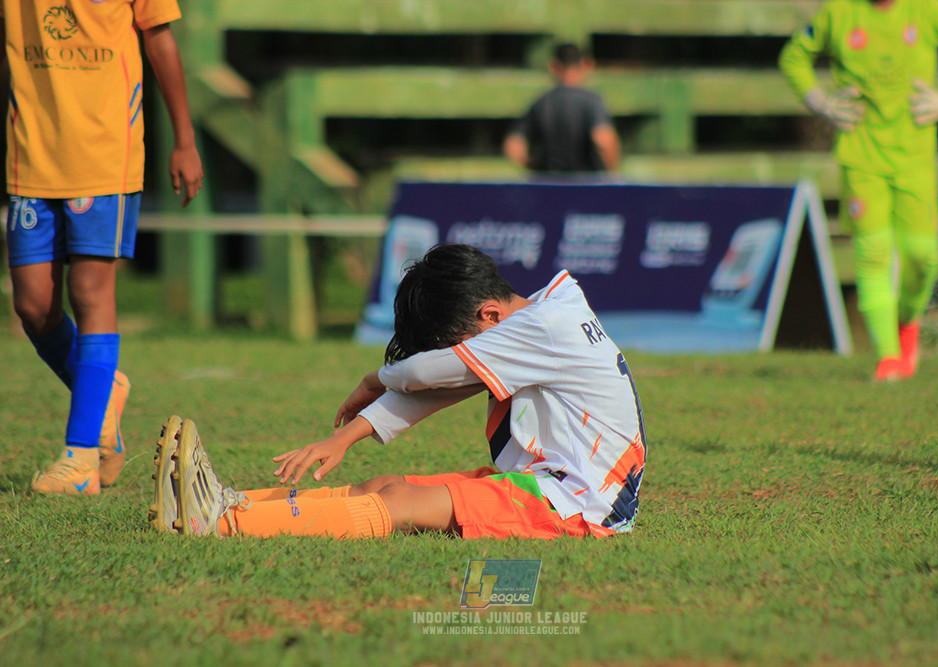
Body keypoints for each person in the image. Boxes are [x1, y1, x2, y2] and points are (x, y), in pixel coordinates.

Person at [149, 244, 646, 540]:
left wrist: (375, 378)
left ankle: (221, 525)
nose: (457, 357)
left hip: (577, 506)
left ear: (489, 315)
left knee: (402, 501)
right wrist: (344, 438)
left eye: (458, 344)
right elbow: (442, 384)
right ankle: (232, 504)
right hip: (557, 488)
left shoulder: (541, 326)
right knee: (382, 485)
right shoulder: (539, 318)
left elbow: (428, 374)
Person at [3, 0, 204, 494]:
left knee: (90, 292)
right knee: (33, 307)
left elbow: (160, 39)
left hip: (105, 150)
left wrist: (184, 139)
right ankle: (104, 388)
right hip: (32, 152)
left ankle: (80, 459)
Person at [779, 0, 938, 381]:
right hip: (860, 158)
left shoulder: (928, 10)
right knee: (873, 254)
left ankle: (907, 322)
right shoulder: (839, 13)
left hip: (914, 160)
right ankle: (888, 357)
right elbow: (793, 57)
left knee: (922, 257)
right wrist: (823, 104)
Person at [503, 43, 621, 173]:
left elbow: (514, 145)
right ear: (586, 64)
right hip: (585, 181)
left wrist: (533, 165)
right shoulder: (592, 101)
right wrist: (611, 174)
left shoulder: (541, 102)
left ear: (554, 66)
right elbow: (603, 141)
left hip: (548, 181)